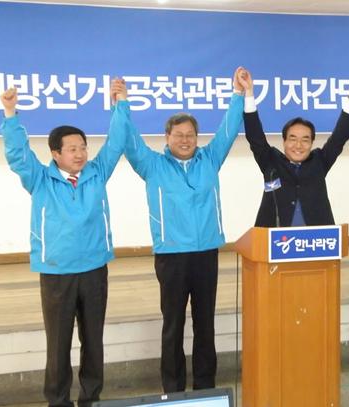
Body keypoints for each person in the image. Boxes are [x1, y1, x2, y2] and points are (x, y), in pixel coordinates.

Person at [0, 79, 129, 407]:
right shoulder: (40, 179)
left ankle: (91, 398)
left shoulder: (97, 172)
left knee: (93, 341)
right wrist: (10, 114)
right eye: (72, 149)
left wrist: (120, 104)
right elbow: (18, 155)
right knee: (58, 344)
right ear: (55, 153)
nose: (80, 153)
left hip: (94, 269)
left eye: (83, 147)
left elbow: (116, 142)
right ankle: (57, 401)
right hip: (57, 272)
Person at [123, 67, 247, 393]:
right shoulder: (152, 165)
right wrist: (121, 104)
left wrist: (238, 94)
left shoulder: (210, 159)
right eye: (178, 135)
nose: (185, 140)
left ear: (197, 137)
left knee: (205, 325)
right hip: (172, 257)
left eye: (190, 134)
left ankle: (205, 387)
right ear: (167, 137)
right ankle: (173, 390)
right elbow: (130, 141)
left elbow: (228, 129)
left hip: (206, 254)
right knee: (173, 325)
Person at [240, 71, 349, 227]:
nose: (298, 145)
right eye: (293, 139)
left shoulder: (319, 161)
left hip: (316, 238)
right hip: (274, 238)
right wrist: (249, 93)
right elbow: (255, 136)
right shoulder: (271, 161)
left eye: (305, 140)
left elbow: (339, 137)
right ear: (284, 141)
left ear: (312, 143)